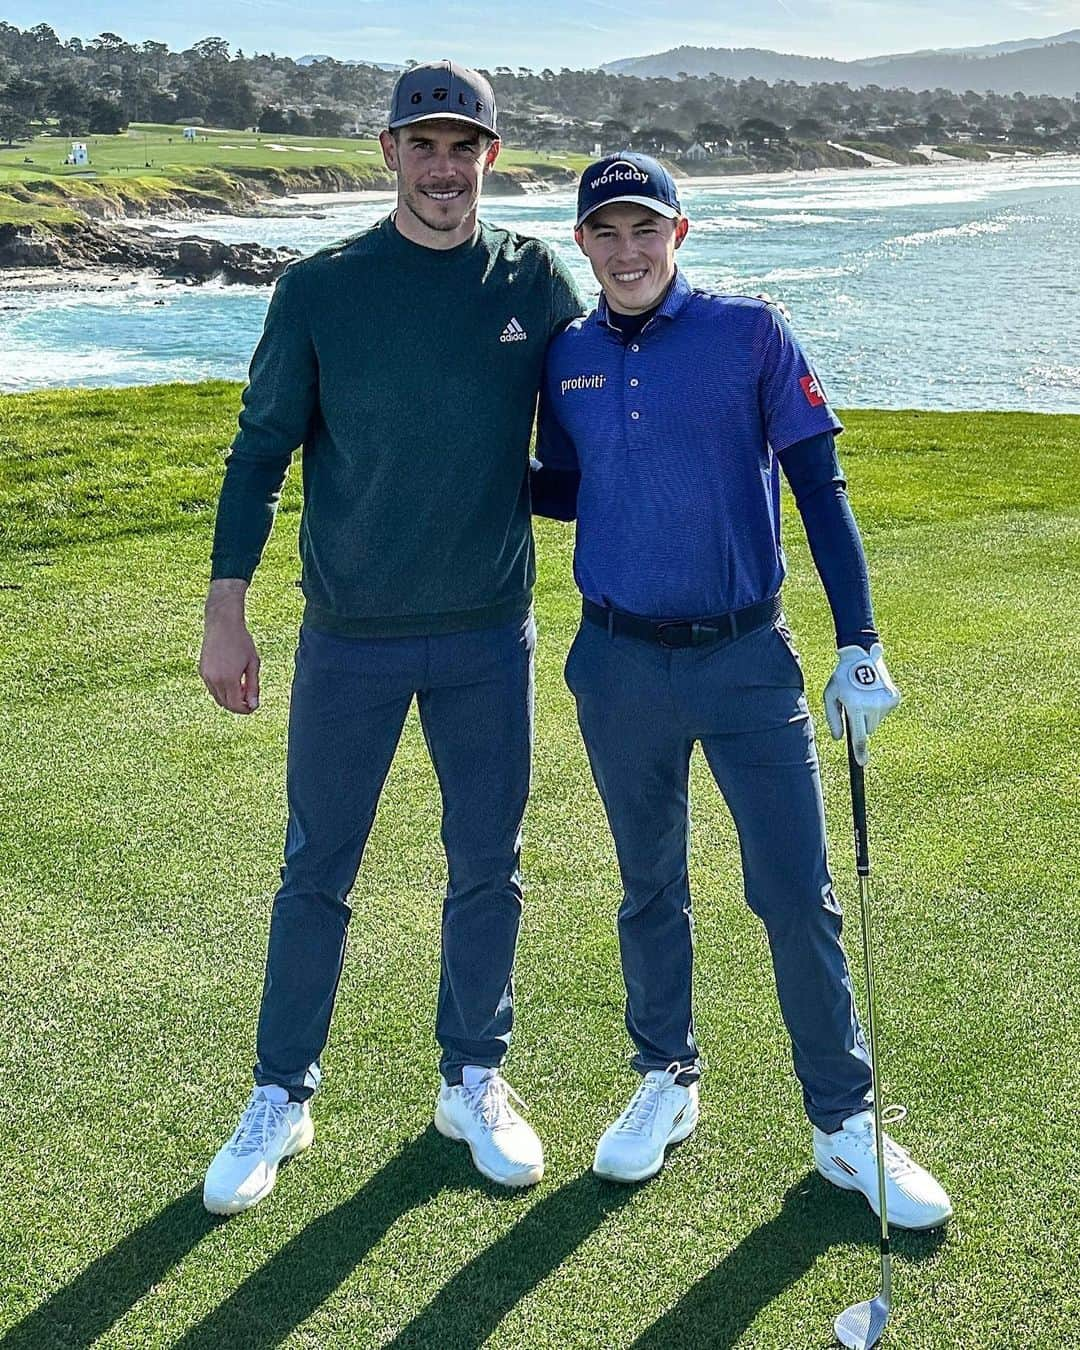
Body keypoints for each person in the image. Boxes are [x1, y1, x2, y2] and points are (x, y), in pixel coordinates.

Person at [531, 153, 952, 1229]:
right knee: (648, 885)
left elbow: (820, 487)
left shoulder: (749, 332)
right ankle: (664, 1077)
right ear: (582, 243)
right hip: (616, 662)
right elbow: (567, 493)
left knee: (795, 894)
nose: (627, 251)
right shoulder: (567, 355)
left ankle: (844, 1123)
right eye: (606, 233)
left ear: (682, 233)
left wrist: (861, 641)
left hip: (744, 660)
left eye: (646, 230)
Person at [199, 61, 584, 1214]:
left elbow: (594, 416)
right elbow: (260, 453)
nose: (443, 167)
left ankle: (473, 1078)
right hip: (350, 636)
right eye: (422, 144)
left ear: (491, 159)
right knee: (317, 866)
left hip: (484, 635)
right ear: (388, 155)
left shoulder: (532, 277)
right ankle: (282, 1092)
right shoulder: (321, 289)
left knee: (488, 865)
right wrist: (228, 615)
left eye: (464, 146)